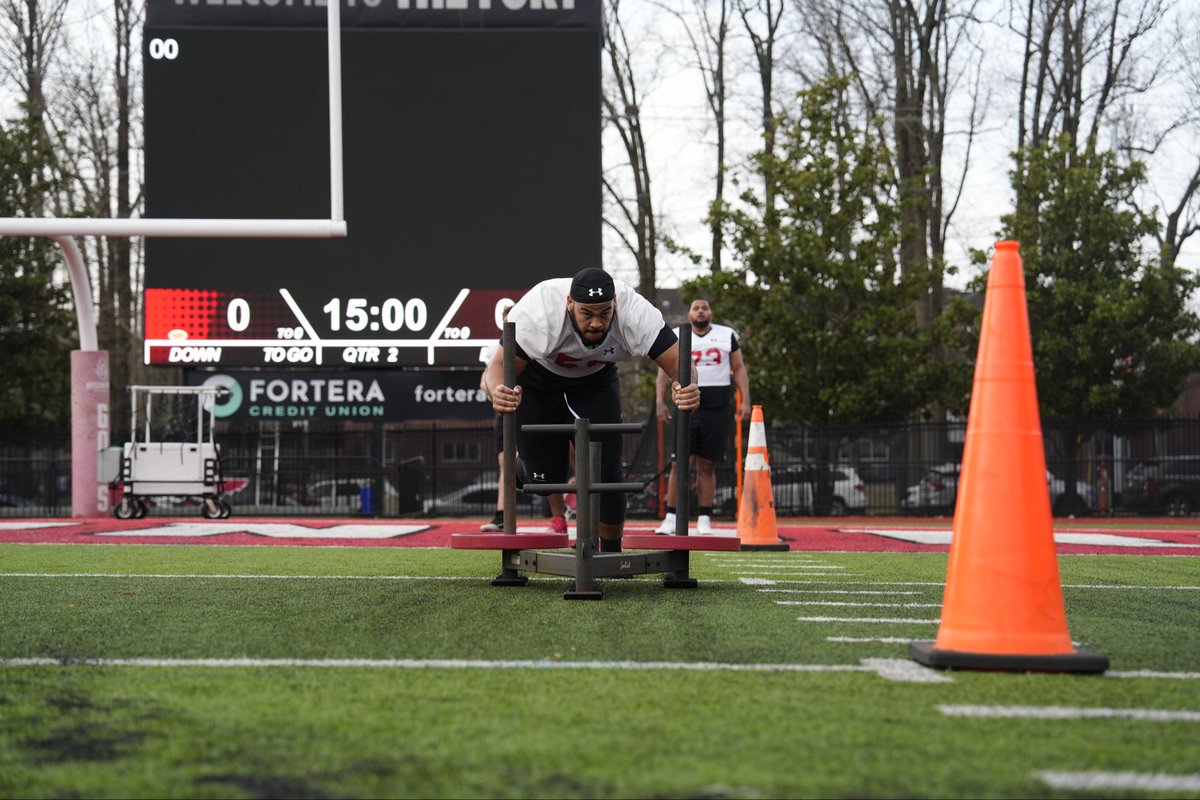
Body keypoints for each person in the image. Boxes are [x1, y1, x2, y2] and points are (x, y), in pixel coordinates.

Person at [482, 267, 700, 552]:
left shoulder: (635, 311)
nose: (597, 323)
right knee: (547, 479)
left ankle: (609, 548)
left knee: (607, 468)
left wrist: (688, 386)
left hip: (595, 381)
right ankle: (526, 468)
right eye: (587, 314)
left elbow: (679, 362)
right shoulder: (539, 309)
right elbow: (496, 368)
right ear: (569, 303)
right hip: (537, 382)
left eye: (604, 313)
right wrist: (499, 391)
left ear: (615, 306)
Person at [654, 297, 751, 535]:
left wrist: (745, 399)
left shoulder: (726, 335)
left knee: (707, 464)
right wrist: (659, 400)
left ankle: (705, 517)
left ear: (711, 312)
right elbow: (664, 371)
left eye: (704, 308)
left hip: (716, 405)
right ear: (688, 313)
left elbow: (738, 368)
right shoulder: (676, 334)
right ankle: (671, 516)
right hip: (686, 402)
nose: (700, 312)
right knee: (679, 463)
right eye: (696, 308)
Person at [478, 301, 569, 533]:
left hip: (539, 405)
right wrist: (498, 394)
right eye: (509, 320)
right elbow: (486, 379)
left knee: (560, 460)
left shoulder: (538, 340)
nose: (513, 324)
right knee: (505, 463)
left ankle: (561, 516)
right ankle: (503, 516)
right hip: (509, 408)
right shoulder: (494, 348)